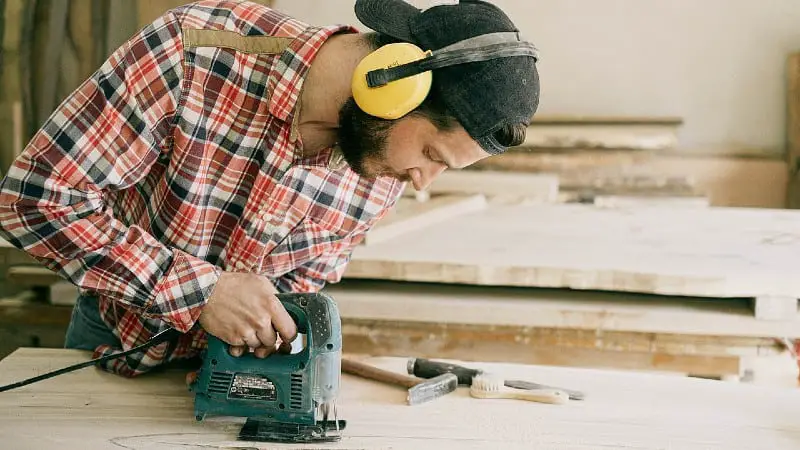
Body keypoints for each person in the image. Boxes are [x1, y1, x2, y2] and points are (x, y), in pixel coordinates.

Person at [0, 0, 540, 377]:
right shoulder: (193, 52)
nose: (423, 182)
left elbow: (301, 287)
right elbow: (34, 198)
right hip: (112, 342)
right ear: (391, 87)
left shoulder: (377, 160)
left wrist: (262, 351)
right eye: (431, 156)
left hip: (224, 378)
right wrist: (202, 293)